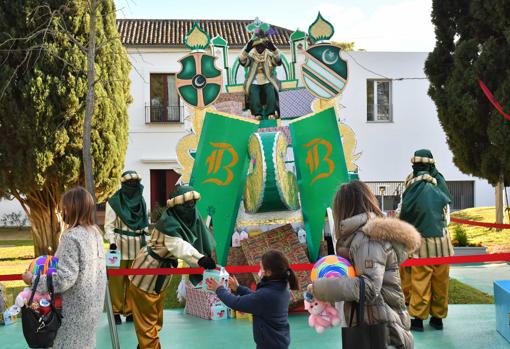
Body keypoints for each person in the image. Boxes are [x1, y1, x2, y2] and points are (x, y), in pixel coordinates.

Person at [307, 180, 420, 349]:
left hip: (385, 331)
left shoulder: (367, 238)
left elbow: (368, 287)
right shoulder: (359, 237)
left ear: (344, 208)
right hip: (378, 323)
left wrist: (321, 288)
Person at [127, 185, 216, 349]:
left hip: (161, 276)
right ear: (177, 207)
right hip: (146, 276)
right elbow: (179, 246)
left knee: (155, 321)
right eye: (187, 205)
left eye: (192, 204)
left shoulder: (184, 219)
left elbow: (199, 232)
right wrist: (201, 259)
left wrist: (204, 256)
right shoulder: (168, 224)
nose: (191, 208)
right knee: (148, 325)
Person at [22, 186, 107, 349]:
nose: (61, 212)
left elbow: (64, 279)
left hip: (72, 312)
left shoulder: (72, 237)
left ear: (74, 209)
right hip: (92, 308)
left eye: (64, 208)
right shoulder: (95, 233)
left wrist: (33, 280)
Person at [399, 149, 453, 332]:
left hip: (421, 244)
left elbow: (405, 211)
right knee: (441, 281)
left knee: (420, 281)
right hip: (443, 243)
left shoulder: (410, 181)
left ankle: (418, 320)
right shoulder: (439, 180)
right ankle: (438, 318)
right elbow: (446, 204)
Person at [206, 249, 299, 349]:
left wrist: (219, 289)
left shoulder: (266, 294)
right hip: (279, 342)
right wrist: (238, 289)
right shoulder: (282, 287)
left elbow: (235, 302)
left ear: (268, 272)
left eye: (261, 268)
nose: (260, 271)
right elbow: (258, 298)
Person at [104, 170, 149, 324]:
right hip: (117, 246)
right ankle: (115, 311)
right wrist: (111, 241)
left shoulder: (141, 201)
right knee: (116, 281)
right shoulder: (114, 202)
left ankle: (130, 310)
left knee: (134, 280)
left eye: (135, 183)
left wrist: (147, 241)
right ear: (123, 184)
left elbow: (145, 223)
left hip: (138, 245)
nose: (133, 186)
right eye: (129, 183)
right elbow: (108, 226)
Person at [239, 32, 282, 120]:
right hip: (254, 80)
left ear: (265, 47)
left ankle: (271, 113)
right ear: (254, 47)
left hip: (268, 79)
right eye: (257, 46)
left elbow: (278, 61)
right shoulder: (251, 56)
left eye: (262, 46)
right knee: (253, 94)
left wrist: (274, 50)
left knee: (271, 93)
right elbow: (242, 61)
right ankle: (257, 114)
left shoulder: (269, 55)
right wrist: (246, 50)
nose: (260, 48)